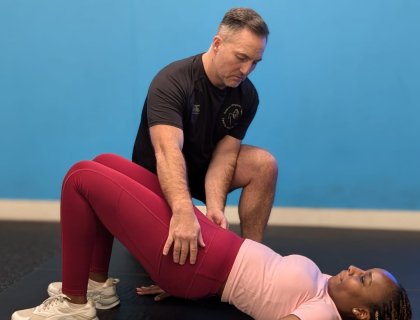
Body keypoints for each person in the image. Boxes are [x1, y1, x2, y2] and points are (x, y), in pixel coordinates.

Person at [12, 154, 412, 320]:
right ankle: (97, 286)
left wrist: (191, 282)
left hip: (194, 262)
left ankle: (75, 303)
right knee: (104, 163)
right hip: (205, 245)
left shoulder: (320, 313)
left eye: (364, 279)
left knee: (81, 177)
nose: (355, 269)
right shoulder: (326, 285)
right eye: (365, 269)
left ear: (361, 314)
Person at [131, 7, 278, 266]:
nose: (246, 70)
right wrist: (183, 210)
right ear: (218, 44)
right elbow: (167, 152)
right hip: (159, 177)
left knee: (264, 163)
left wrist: (214, 209)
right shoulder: (173, 81)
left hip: (201, 169)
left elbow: (225, 156)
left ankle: (254, 262)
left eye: (255, 62)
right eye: (241, 57)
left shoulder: (247, 95)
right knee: (176, 268)